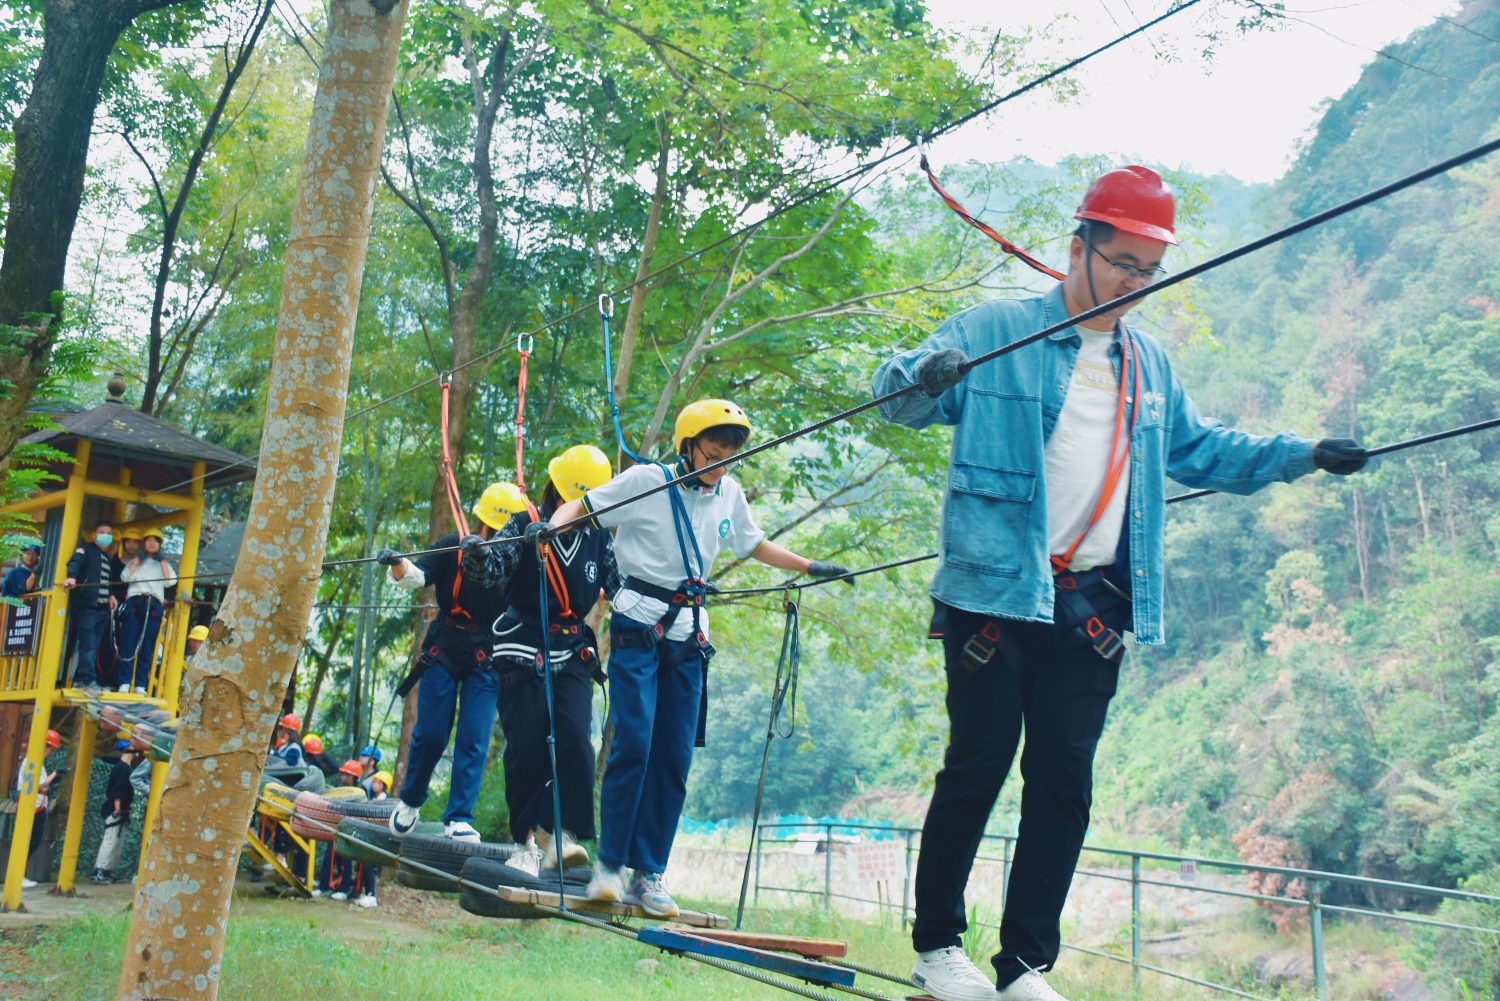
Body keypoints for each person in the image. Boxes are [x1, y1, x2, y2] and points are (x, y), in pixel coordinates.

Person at [871, 166, 1369, 1001]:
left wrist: (1304, 455)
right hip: (994, 594)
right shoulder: (997, 331)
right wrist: (931, 372)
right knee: (979, 764)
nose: (1135, 283)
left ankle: (1025, 965)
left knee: (1064, 779)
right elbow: (895, 401)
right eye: (1124, 262)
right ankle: (936, 947)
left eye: (1150, 269)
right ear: (1080, 247)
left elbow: (1207, 451)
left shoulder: (1150, 366)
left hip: (1094, 603)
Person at [540, 401, 851, 917]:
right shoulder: (647, 482)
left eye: (728, 459)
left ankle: (649, 873)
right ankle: (610, 868)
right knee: (634, 746)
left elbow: (753, 545)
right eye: (711, 456)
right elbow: (585, 506)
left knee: (675, 758)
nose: (719, 468)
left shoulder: (728, 492)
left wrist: (810, 565)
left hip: (690, 637)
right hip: (640, 626)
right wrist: (550, 527)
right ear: (688, 447)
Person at [466, 445, 617, 873]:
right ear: (558, 491)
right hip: (521, 645)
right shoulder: (524, 522)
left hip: (570, 648)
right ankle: (525, 842)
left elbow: (620, 587)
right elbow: (492, 570)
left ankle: (560, 833)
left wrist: (673, 599)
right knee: (529, 747)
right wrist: (477, 555)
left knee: (575, 741)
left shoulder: (599, 536)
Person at [379, 482, 519, 842]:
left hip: (487, 654)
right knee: (431, 734)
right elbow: (417, 575)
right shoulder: (453, 548)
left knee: (474, 736)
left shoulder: (514, 559)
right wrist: (397, 563)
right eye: (493, 530)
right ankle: (411, 800)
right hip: (445, 647)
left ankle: (459, 816)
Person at [117, 527, 176, 694]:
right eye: (148, 540)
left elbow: (170, 581)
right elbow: (126, 577)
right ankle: (124, 683)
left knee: (147, 646)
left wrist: (162, 560)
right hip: (135, 602)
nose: (151, 543)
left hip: (153, 604)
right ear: (144, 543)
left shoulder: (163, 564)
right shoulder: (135, 561)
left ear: (159, 544)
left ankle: (141, 685)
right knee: (128, 643)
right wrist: (136, 559)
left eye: (155, 540)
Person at [62, 520, 116, 693]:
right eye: (102, 532)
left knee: (93, 645)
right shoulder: (85, 549)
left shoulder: (106, 558)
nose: (105, 536)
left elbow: (104, 581)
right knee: (89, 645)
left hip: (101, 609)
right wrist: (71, 577)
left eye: (109, 533)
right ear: (94, 535)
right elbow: (74, 562)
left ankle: (80, 679)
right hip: (86, 607)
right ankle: (88, 681)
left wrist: (110, 595)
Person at [13, 729, 62, 889]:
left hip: (37, 805)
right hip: (31, 806)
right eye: (50, 748)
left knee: (33, 841)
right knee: (28, 841)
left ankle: (20, 874)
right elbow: (40, 784)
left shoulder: (37, 762)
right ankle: (17, 875)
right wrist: (55, 774)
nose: (50, 752)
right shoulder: (31, 761)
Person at [92, 741, 142, 884]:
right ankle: (100, 871)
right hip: (116, 810)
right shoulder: (121, 769)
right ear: (128, 749)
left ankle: (107, 871)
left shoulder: (126, 768)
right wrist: (117, 808)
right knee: (110, 840)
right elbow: (118, 791)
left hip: (122, 810)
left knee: (116, 842)